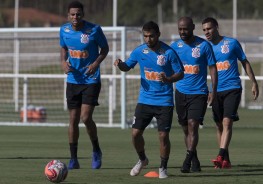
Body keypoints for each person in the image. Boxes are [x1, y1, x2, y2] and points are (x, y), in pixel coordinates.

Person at [114, 21, 184, 179]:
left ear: (158, 35)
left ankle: (163, 168)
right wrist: (120, 64)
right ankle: (142, 159)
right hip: (145, 100)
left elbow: (181, 73)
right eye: (145, 36)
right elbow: (127, 66)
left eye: (151, 36)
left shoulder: (169, 52)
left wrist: (168, 79)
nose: (148, 39)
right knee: (135, 134)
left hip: (164, 101)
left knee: (163, 136)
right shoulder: (139, 51)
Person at [202, 17, 259, 169]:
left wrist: (254, 82)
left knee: (227, 122)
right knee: (219, 125)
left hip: (232, 88)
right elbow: (202, 71)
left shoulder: (231, 43)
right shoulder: (205, 48)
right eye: (204, 30)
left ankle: (220, 155)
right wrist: (207, 90)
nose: (206, 32)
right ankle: (225, 161)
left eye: (209, 28)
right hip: (215, 91)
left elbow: (244, 61)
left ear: (216, 27)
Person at [59, 1, 109, 170]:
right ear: (68, 15)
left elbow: (105, 49)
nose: (75, 17)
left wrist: (95, 64)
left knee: (85, 117)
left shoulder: (94, 30)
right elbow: (63, 48)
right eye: (72, 14)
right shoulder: (64, 30)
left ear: (83, 14)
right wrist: (63, 62)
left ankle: (96, 150)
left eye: (78, 14)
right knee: (73, 119)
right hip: (73, 80)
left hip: (91, 79)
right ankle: (73, 158)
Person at [170, 17, 218, 173]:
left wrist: (213, 90)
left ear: (193, 28)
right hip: (180, 93)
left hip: (199, 93)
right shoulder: (174, 46)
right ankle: (195, 159)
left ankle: (187, 161)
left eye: (185, 29)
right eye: (180, 29)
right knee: (185, 129)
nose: (182, 32)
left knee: (193, 126)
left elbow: (212, 68)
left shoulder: (204, 45)